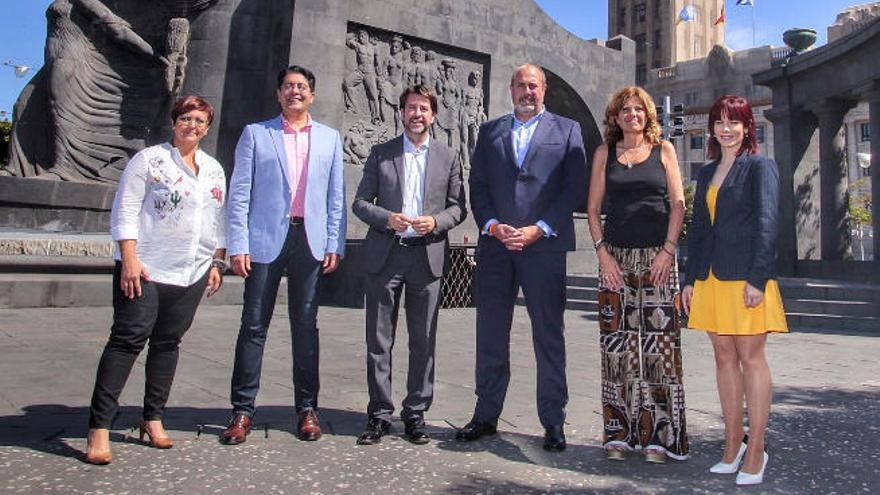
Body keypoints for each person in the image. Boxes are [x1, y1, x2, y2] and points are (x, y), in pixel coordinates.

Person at [84, 95, 227, 465]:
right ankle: (99, 426)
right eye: (186, 118)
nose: (191, 126)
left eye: (199, 121)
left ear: (207, 128)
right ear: (174, 121)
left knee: (168, 343)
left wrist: (216, 261)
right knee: (127, 340)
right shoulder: (148, 160)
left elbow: (217, 219)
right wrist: (129, 258)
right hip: (146, 267)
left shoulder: (213, 169)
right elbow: (126, 210)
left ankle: (153, 417)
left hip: (191, 270)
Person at [458, 64, 587, 451]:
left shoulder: (568, 130)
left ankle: (553, 421)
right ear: (510, 89)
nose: (527, 91)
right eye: (520, 85)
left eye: (533, 85)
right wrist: (494, 225)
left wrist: (539, 228)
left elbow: (573, 187)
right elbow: (477, 184)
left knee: (548, 335)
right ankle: (486, 415)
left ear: (543, 89)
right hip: (497, 247)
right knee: (491, 333)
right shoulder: (489, 131)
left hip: (544, 247)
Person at [220, 65, 347, 445]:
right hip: (264, 240)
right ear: (279, 94)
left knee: (306, 326)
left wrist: (334, 243)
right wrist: (237, 243)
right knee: (254, 324)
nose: (295, 92)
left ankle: (307, 409)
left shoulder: (329, 138)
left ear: (312, 95)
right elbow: (240, 192)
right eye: (288, 86)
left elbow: (335, 197)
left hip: (309, 240)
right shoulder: (257, 134)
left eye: (302, 87)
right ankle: (242, 411)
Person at [682, 94, 788, 486]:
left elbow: (766, 222)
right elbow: (700, 230)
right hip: (711, 278)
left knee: (750, 358)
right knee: (723, 357)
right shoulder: (707, 173)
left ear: (747, 127)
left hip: (746, 278)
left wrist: (758, 279)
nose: (726, 129)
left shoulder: (761, 167)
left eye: (734, 122)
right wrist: (690, 279)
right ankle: (732, 444)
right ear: (712, 128)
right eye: (719, 122)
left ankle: (757, 450)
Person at [352, 85, 467, 445]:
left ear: (433, 116)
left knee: (424, 340)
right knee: (378, 339)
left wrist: (436, 222)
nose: (417, 114)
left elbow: (458, 207)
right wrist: (388, 218)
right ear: (401, 113)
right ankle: (379, 413)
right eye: (411, 108)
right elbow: (360, 203)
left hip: (426, 255)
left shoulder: (449, 156)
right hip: (386, 254)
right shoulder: (380, 154)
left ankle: (415, 413)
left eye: (423, 109)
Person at [586, 86, 688, 463]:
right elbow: (593, 209)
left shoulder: (665, 151)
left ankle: (662, 436)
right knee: (617, 348)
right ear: (615, 117)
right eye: (625, 110)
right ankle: (620, 432)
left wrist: (668, 251)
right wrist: (603, 256)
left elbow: (678, 204)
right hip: (615, 259)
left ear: (648, 115)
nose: (632, 115)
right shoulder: (604, 153)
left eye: (639, 109)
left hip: (658, 258)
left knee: (659, 349)